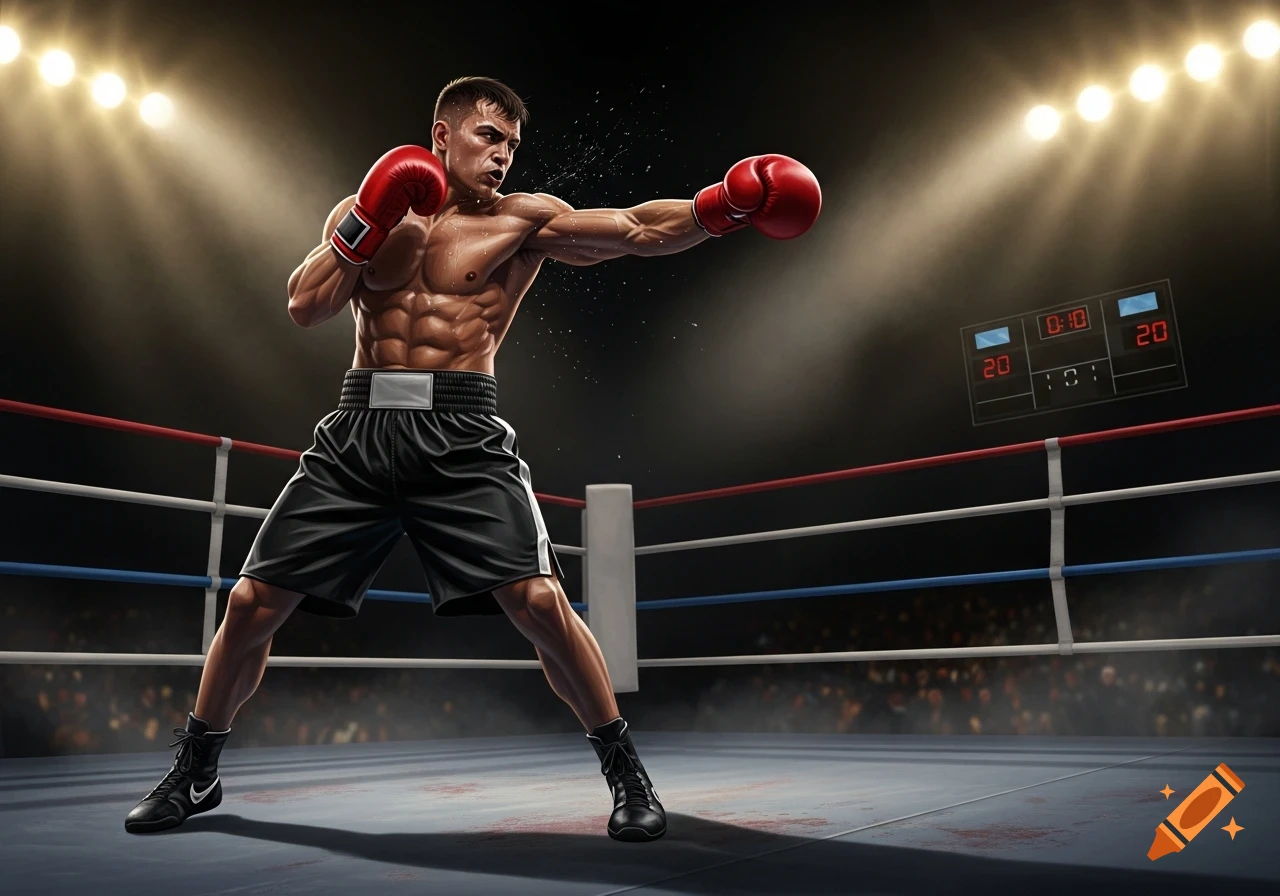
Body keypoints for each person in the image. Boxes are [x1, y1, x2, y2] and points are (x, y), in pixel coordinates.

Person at [125, 76, 821, 841]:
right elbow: (305, 304)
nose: (503, 157)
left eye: (513, 146)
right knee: (252, 604)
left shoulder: (523, 221)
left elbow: (637, 229)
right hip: (360, 427)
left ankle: (627, 776)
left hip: (463, 433)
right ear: (443, 135)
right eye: (490, 137)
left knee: (540, 603)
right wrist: (367, 217)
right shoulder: (368, 209)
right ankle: (196, 771)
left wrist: (723, 205)